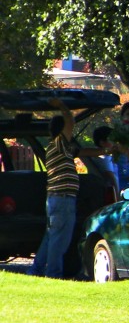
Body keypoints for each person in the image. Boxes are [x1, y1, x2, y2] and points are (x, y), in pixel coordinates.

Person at [27, 99, 80, 278]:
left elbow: (84, 152)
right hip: (63, 199)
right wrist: (61, 106)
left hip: (56, 199)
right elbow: (70, 121)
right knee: (60, 239)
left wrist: (108, 151)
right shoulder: (59, 142)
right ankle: (53, 274)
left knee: (51, 237)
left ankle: (36, 270)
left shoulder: (58, 148)